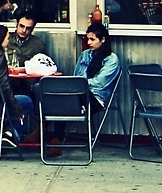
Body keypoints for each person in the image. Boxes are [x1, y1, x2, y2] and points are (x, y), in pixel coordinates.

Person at [45, 22, 121, 157]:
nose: (89, 42)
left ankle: (50, 137)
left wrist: (78, 86)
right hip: (78, 93)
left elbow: (99, 83)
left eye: (93, 39)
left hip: (96, 98)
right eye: (87, 39)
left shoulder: (112, 59)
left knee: (63, 100)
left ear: (103, 39)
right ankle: (54, 139)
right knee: (58, 97)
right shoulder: (86, 55)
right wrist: (76, 86)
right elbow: (76, 76)